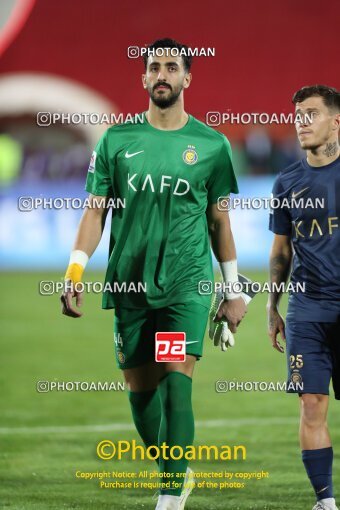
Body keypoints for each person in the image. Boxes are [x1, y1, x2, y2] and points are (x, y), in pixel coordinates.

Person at [61, 38, 246, 510]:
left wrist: (232, 290)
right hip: (129, 284)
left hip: (183, 286)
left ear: (188, 78)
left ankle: (169, 497)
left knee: (176, 381)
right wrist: (74, 270)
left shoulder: (211, 145)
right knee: (141, 395)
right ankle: (174, 473)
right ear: (143, 78)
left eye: (172, 67)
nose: (162, 74)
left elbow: (219, 220)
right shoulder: (117, 141)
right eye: (153, 67)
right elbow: (95, 211)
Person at [267, 85, 340, 510]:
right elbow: (281, 250)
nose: (301, 121)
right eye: (297, 114)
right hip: (306, 312)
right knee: (311, 403)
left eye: (311, 113)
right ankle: (325, 501)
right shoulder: (287, 182)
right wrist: (272, 306)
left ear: (335, 121)